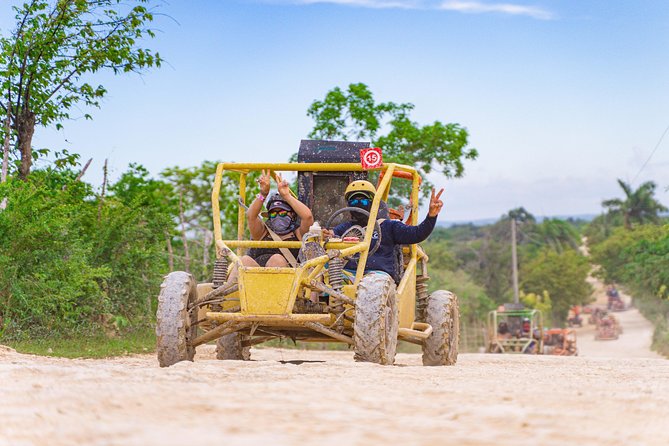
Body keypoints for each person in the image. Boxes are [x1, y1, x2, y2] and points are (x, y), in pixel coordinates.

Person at [323, 180, 444, 283]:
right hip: (349, 275)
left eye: (364, 201)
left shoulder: (389, 226)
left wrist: (431, 216)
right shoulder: (345, 228)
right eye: (354, 202)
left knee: (372, 285)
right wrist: (327, 236)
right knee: (320, 274)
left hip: (379, 277)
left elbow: (417, 234)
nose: (358, 205)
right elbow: (333, 238)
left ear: (373, 203)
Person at [242, 169, 314, 268]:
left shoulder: (298, 234)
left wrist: (287, 196)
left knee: (277, 259)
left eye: (283, 213)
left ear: (292, 215)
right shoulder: (262, 232)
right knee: (244, 260)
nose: (277, 216)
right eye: (273, 214)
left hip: (287, 279)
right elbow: (251, 216)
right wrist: (263, 194)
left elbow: (308, 217)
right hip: (256, 277)